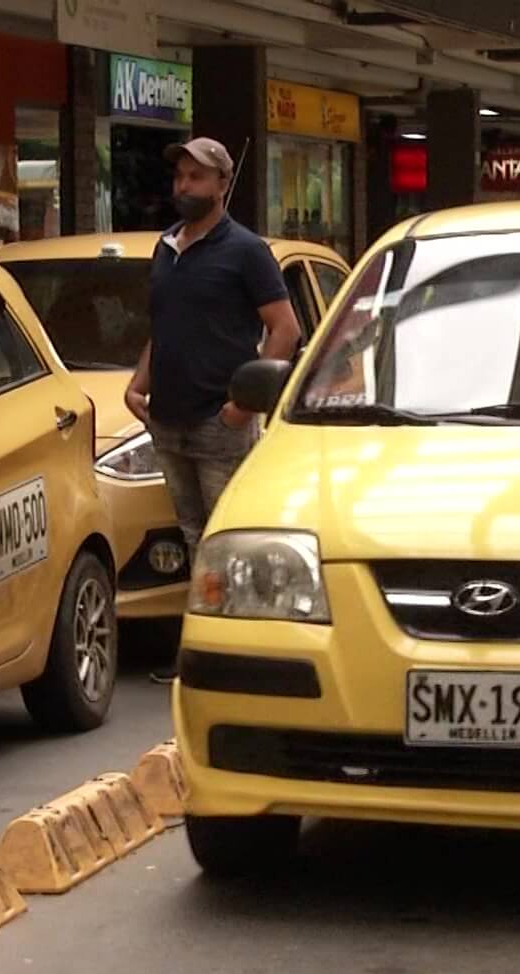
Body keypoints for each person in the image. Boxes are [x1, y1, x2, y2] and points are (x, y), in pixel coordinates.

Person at [123, 137, 301, 684]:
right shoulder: (166, 248)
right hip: (168, 419)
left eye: (197, 177)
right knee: (192, 538)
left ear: (223, 184)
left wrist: (243, 404)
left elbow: (285, 329)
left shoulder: (245, 250)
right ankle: (201, 654)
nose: (184, 186)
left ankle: (238, 657)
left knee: (228, 543)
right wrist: (139, 383)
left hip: (217, 421)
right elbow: (164, 326)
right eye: (179, 176)